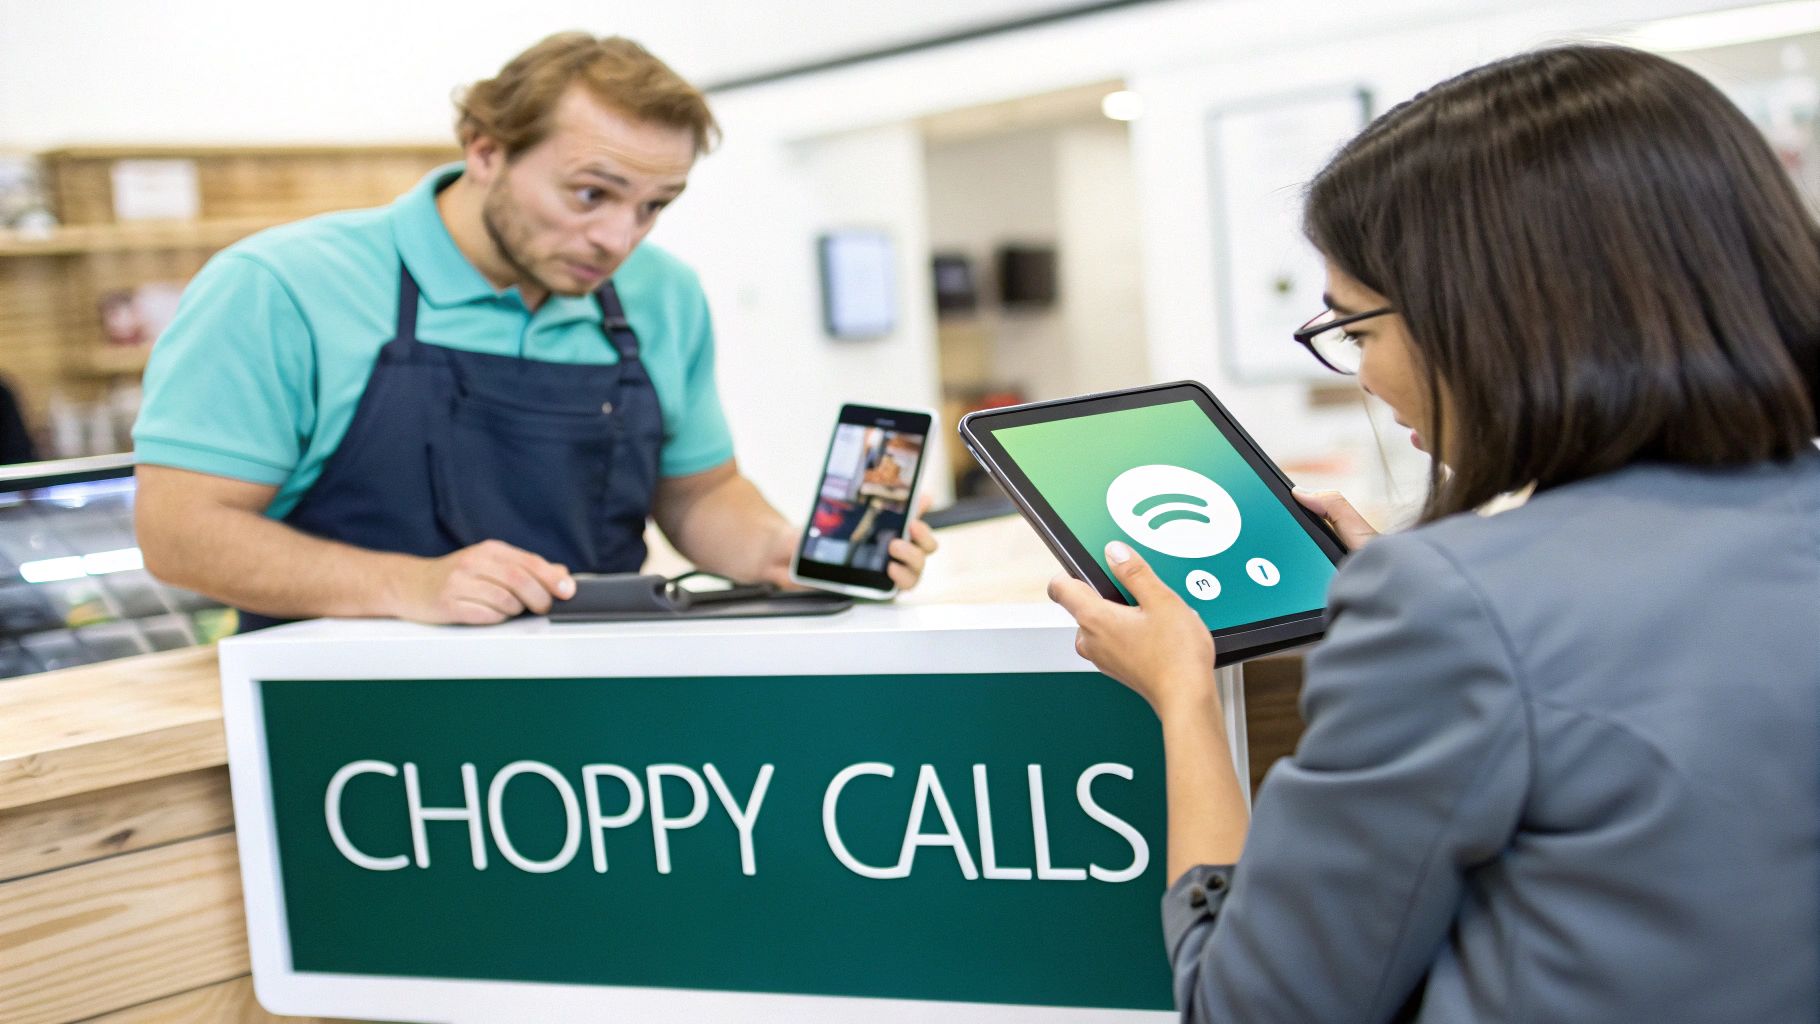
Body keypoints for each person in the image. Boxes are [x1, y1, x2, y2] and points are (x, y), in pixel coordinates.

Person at [1051, 45, 1818, 1022]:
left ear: (1494, 315)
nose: (1364, 378)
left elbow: (1248, 1006)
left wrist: (1182, 695)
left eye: (1357, 331)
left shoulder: (1449, 605)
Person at [131, 33, 936, 628]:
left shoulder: (663, 296)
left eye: (653, 206)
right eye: (591, 194)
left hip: (598, 712)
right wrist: (407, 586)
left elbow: (698, 493)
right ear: (486, 151)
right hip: (358, 726)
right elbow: (181, 533)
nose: (619, 239)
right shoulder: (283, 288)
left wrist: (777, 550)